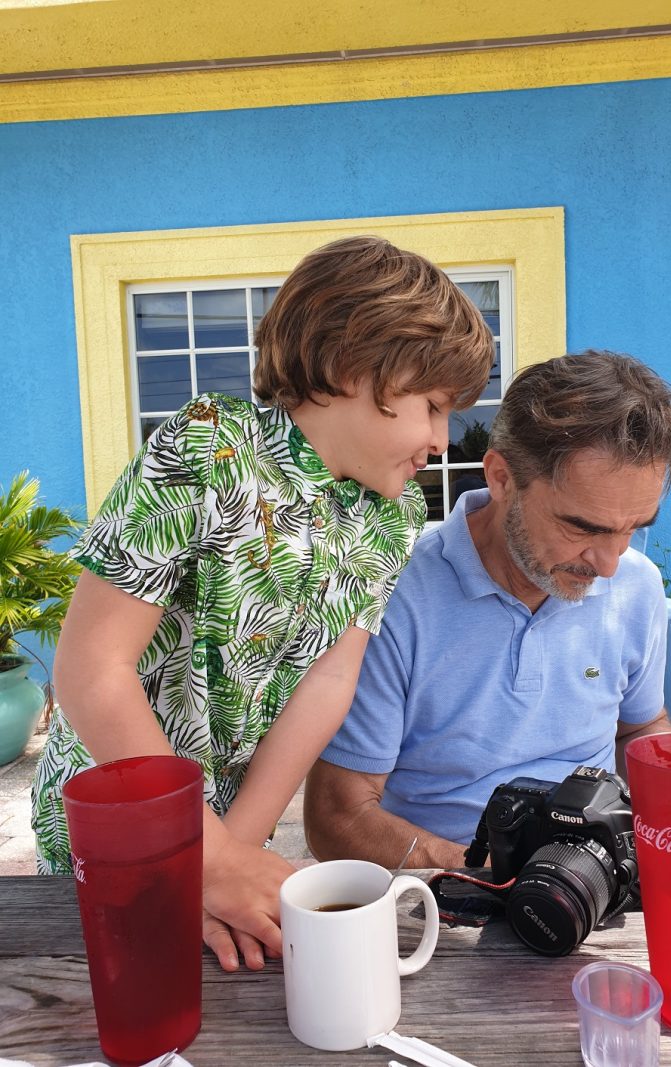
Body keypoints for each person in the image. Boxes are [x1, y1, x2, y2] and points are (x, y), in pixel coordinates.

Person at [32, 235, 495, 971]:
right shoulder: (209, 448)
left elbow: (327, 681)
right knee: (118, 984)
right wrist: (204, 852)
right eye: (433, 406)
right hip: (114, 811)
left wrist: (232, 850)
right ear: (350, 369)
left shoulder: (391, 517)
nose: (441, 440)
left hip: (224, 825)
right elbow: (93, 669)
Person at [304, 351, 671, 872]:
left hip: (591, 880)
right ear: (500, 477)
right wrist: (492, 872)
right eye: (584, 528)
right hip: (439, 892)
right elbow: (336, 816)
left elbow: (640, 726)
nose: (609, 566)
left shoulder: (637, 585)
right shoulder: (392, 591)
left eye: (632, 528)